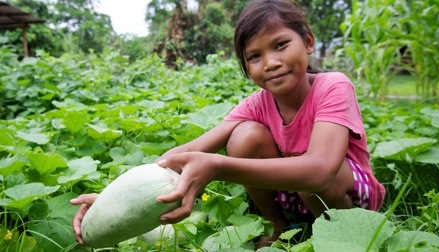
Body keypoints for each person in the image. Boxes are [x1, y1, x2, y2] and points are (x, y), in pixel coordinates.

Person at [71, 0, 386, 247]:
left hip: (348, 198)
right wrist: (111, 200)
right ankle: (281, 227)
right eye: (254, 56)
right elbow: (181, 156)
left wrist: (218, 166)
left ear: (308, 41)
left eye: (280, 45)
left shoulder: (333, 85)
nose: (271, 63)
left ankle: (339, 239)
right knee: (243, 137)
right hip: (298, 194)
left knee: (315, 179)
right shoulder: (257, 103)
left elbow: (320, 171)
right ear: (246, 68)